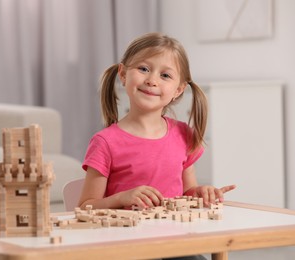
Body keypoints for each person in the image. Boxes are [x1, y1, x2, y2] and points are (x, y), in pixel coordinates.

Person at [79, 32, 236, 212]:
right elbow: (85, 207)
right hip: (127, 237)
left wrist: (201, 192)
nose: (152, 81)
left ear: (178, 89)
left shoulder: (183, 134)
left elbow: (187, 192)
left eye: (165, 76)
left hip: (173, 235)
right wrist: (121, 198)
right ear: (123, 74)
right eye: (143, 69)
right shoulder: (105, 142)